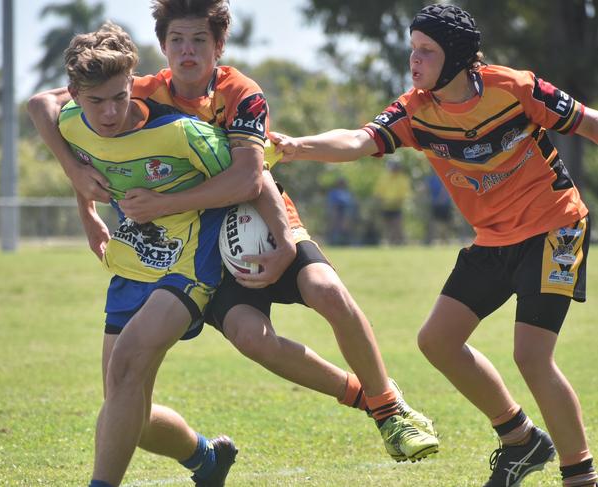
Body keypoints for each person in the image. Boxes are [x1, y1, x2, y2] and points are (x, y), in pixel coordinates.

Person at [28, 0, 439, 466]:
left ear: (219, 44)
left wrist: (284, 242)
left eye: (199, 40)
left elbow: (249, 179)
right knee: (247, 338)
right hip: (195, 241)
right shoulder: (130, 90)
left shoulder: (241, 92)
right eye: (177, 41)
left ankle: (388, 407)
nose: (187, 52)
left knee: (327, 291)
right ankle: (351, 402)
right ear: (162, 46)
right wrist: (81, 191)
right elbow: (52, 110)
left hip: (262, 219)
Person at [271, 4, 598, 486]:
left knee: (531, 354)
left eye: (426, 51)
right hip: (493, 240)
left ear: (458, 57)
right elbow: (359, 140)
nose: (414, 60)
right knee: (438, 341)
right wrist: (299, 145)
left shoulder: (515, 88)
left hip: (556, 227)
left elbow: (590, 122)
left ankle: (581, 476)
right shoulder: (416, 110)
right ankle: (521, 440)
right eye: (412, 50)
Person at [44, 22, 248, 487]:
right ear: (74, 93)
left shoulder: (182, 133)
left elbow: (249, 181)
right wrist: (86, 212)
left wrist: (282, 238)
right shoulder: (73, 121)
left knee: (128, 365)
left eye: (120, 96)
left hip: (190, 263)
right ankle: (205, 459)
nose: (111, 111)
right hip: (132, 265)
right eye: (97, 101)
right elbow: (68, 143)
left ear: (133, 83)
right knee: (124, 405)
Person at [374, 158, 411, 245]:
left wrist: (399, 201)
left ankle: (397, 242)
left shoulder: (403, 178)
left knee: (397, 226)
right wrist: (380, 201)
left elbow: (405, 193)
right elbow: (379, 192)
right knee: (387, 227)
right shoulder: (384, 177)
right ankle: (389, 242)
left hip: (397, 206)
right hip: (385, 206)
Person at [423, 171, 454, 245]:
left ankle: (445, 240)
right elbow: (426, 189)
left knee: (444, 224)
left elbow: (445, 189)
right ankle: (435, 240)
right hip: (435, 204)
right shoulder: (431, 178)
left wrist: (440, 199)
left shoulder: (444, 175)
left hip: (444, 204)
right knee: (435, 223)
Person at [325, 178, 357, 245]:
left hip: (345, 212)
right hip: (336, 211)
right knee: (335, 226)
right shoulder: (334, 192)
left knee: (346, 227)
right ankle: (333, 242)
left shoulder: (347, 192)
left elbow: (350, 203)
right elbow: (331, 203)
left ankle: (347, 242)